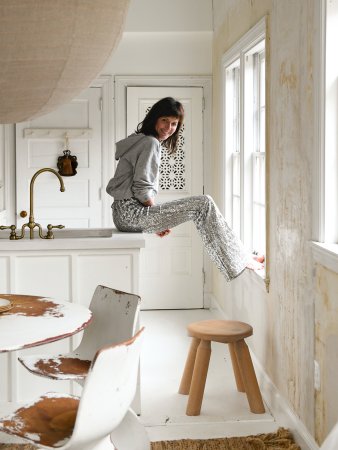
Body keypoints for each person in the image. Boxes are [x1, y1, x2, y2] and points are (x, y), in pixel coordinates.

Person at [106, 97, 263, 282]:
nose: (168, 127)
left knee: (203, 205)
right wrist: (156, 218)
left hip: (123, 214)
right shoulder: (150, 142)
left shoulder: (139, 140)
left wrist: (156, 220)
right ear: (154, 118)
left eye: (174, 123)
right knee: (204, 203)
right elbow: (142, 187)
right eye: (164, 120)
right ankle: (240, 259)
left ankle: (241, 255)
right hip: (131, 213)